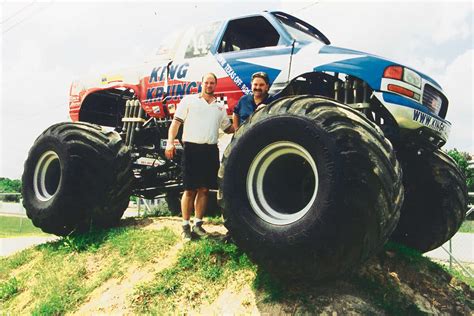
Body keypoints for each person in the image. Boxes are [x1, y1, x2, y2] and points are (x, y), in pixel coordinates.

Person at [165, 73, 234, 241]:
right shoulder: (189, 100)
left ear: (215, 85)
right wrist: (170, 142)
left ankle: (198, 225)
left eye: (212, 83)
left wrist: (245, 122)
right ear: (201, 84)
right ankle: (185, 226)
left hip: (210, 150)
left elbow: (228, 129)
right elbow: (176, 123)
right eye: (206, 82)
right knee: (189, 190)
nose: (209, 85)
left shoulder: (219, 108)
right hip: (191, 149)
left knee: (204, 189)